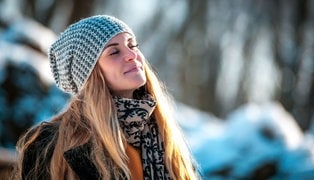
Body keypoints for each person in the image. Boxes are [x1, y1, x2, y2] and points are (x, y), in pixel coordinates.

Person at [13, 15, 199, 180]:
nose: (132, 55)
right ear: (89, 74)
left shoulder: (163, 134)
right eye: (114, 52)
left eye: (132, 45)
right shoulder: (49, 146)